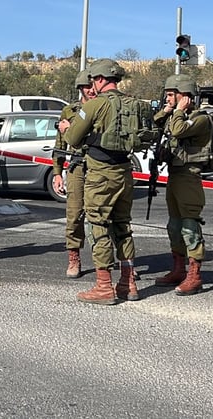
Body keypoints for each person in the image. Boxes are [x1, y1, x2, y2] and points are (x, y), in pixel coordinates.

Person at [62, 58, 139, 305]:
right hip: (125, 172)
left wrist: (65, 127)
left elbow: (74, 139)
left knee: (99, 226)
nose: (92, 85)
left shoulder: (95, 105)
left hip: (100, 174)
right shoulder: (133, 104)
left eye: (94, 79)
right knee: (123, 227)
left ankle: (104, 286)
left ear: (100, 79)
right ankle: (129, 283)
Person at [151, 73, 212, 296]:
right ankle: (178, 269)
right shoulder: (175, 115)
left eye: (170, 95)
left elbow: (177, 130)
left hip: (190, 177)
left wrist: (176, 111)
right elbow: (157, 123)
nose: (167, 99)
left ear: (184, 96)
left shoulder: (200, 118)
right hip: (175, 175)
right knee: (174, 226)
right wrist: (168, 110)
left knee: (189, 226)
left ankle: (194, 275)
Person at [54, 69, 96, 279]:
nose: (92, 90)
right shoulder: (69, 111)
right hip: (77, 167)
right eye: (87, 87)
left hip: (99, 166)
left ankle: (105, 258)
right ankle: (74, 257)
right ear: (80, 89)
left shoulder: (103, 108)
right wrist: (57, 173)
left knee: (104, 214)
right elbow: (60, 145)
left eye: (94, 86)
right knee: (74, 214)